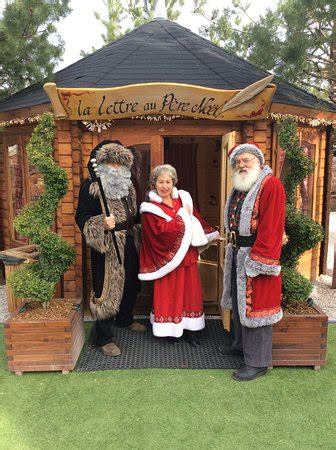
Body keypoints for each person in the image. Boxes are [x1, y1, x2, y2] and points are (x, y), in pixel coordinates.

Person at [220, 143, 286, 381]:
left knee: (256, 309)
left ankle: (257, 362)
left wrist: (260, 261)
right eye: (237, 162)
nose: (242, 165)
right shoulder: (241, 185)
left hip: (257, 256)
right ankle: (240, 346)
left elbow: (272, 227)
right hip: (238, 252)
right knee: (240, 305)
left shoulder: (270, 185)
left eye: (246, 160)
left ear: (258, 160)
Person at [75, 140, 146, 357]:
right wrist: (100, 224)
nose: (116, 166)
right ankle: (103, 337)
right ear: (102, 162)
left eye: (119, 162)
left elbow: (135, 212)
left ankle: (125, 318)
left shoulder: (128, 184)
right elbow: (82, 217)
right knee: (106, 288)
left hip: (130, 239)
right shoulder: (91, 186)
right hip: (107, 245)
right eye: (111, 161)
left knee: (131, 282)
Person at [138, 164, 220, 346]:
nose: (164, 186)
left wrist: (212, 235)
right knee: (169, 293)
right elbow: (157, 233)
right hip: (165, 259)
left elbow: (195, 219)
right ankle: (169, 330)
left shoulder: (183, 200)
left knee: (190, 293)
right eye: (161, 182)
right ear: (154, 183)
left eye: (168, 181)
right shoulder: (149, 209)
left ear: (173, 182)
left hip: (187, 257)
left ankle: (191, 331)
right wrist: (182, 217)